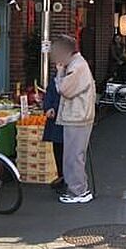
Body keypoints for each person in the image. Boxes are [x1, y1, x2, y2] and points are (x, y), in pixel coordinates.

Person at [52, 35, 96, 204]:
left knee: (73, 156)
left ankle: (78, 191)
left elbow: (64, 89)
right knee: (74, 155)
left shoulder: (76, 67)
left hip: (77, 117)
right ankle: (78, 189)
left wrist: (59, 72)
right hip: (79, 116)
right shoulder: (77, 64)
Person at [43, 74, 65, 193]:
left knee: (69, 152)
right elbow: (48, 96)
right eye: (58, 65)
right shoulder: (54, 81)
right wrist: (48, 108)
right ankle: (61, 176)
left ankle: (68, 178)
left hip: (68, 120)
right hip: (56, 121)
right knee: (57, 149)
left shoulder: (73, 78)